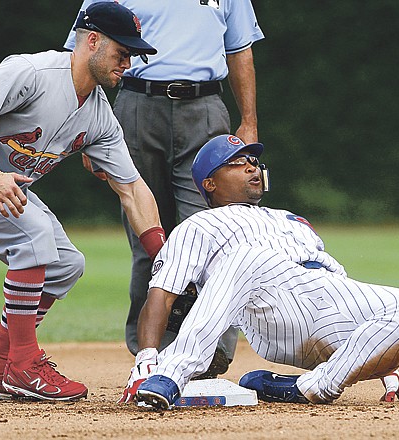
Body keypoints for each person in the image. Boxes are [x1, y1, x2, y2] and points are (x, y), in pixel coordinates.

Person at [0, 2, 165, 402]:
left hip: (0, 181)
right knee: (33, 234)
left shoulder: (99, 114)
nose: (128, 63)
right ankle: (24, 365)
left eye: (132, 55)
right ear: (92, 41)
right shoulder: (34, 71)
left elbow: (132, 189)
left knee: (66, 265)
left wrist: (165, 260)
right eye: (122, 53)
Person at [124, 134, 399, 408]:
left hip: (324, 295)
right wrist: (147, 359)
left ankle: (311, 387)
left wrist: (387, 368)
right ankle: (171, 374)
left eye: (253, 162)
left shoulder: (290, 219)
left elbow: (342, 291)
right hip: (271, 310)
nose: (251, 168)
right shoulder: (197, 226)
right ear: (210, 184)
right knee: (247, 257)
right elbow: (161, 294)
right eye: (235, 163)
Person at [63, 1, 264, 381]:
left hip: (205, 106)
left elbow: (239, 49)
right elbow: (84, 51)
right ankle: (150, 357)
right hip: (136, 105)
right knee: (147, 235)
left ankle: (208, 358)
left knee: (215, 239)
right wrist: (84, 128)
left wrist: (249, 122)